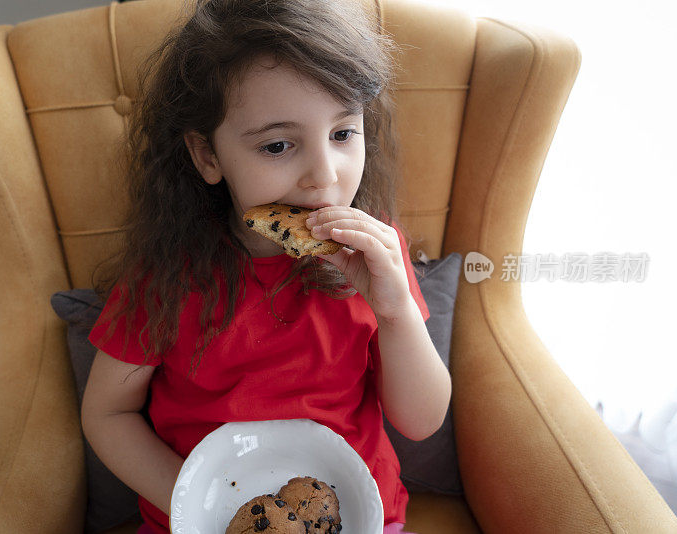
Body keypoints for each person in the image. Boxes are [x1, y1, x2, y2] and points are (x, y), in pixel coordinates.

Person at [80, 0, 452, 532]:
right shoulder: (165, 277)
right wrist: (201, 508)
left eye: (344, 133)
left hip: (356, 513)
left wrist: (397, 316)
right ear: (208, 156)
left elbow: (422, 422)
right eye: (278, 145)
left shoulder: (377, 258)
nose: (324, 176)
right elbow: (107, 413)